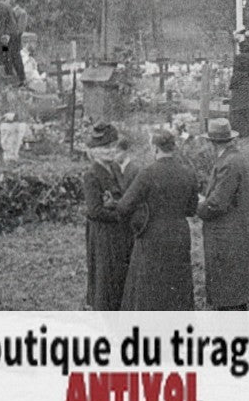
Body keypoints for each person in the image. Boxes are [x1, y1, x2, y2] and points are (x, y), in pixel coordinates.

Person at [110, 128, 199, 309]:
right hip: (179, 235)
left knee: (150, 285)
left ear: (155, 148)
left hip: (152, 235)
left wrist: (121, 207)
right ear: (173, 147)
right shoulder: (188, 172)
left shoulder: (148, 173)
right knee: (177, 284)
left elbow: (124, 207)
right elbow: (191, 210)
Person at [197, 118, 249, 309]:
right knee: (236, 297)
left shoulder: (228, 163)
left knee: (228, 297)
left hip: (226, 239)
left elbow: (217, 204)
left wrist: (198, 204)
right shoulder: (239, 160)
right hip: (238, 234)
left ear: (212, 142)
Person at [81, 123, 138, 311]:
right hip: (103, 233)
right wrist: (120, 213)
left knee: (120, 271)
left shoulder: (115, 168)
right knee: (106, 274)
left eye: (113, 146)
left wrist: (117, 206)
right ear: (94, 151)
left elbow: (123, 196)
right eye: (105, 147)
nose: (110, 150)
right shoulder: (91, 175)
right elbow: (95, 211)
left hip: (120, 231)